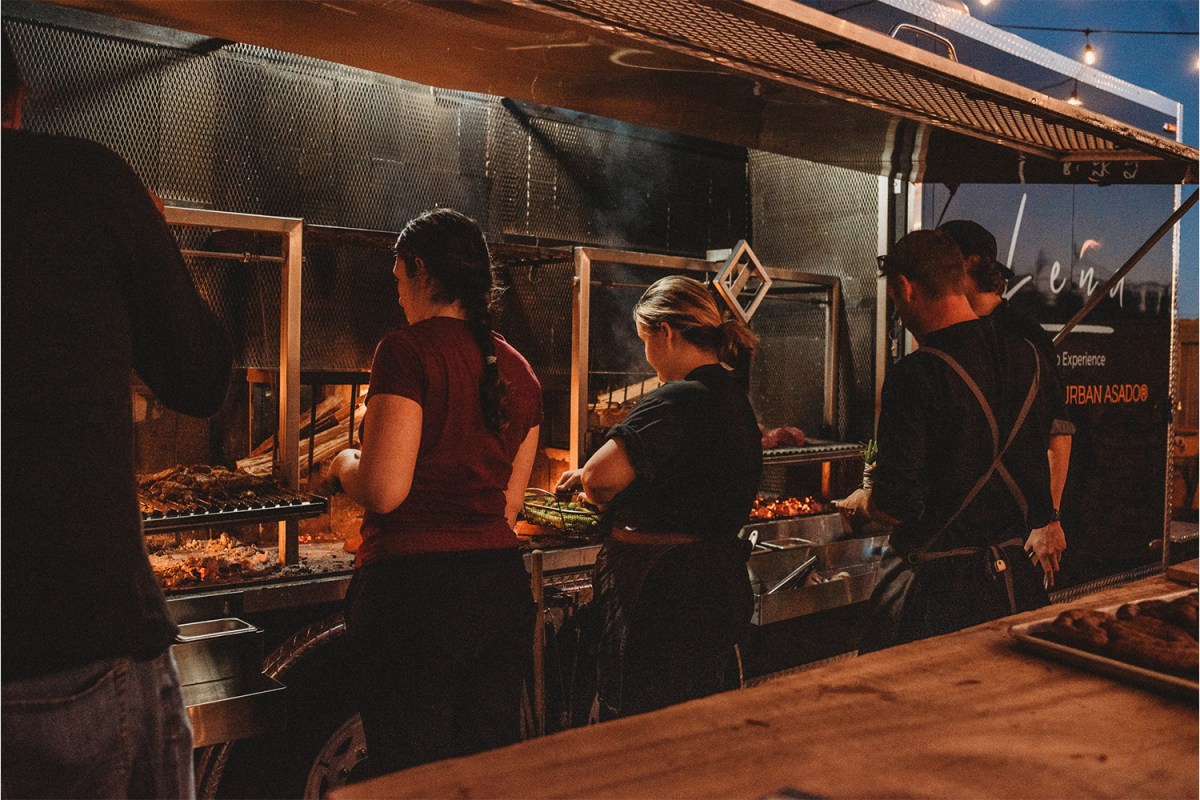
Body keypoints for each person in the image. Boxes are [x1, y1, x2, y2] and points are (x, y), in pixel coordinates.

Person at [2, 34, 232, 800]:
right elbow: (201, 377)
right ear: (18, 102)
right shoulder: (87, 180)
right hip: (73, 639)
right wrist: (151, 246)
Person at [330, 208, 542, 774]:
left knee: (413, 776)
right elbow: (509, 508)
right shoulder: (521, 371)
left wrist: (344, 464)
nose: (398, 294)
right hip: (498, 592)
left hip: (414, 599)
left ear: (421, 270)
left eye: (399, 278)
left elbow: (383, 490)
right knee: (482, 774)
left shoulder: (405, 351)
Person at [837, 229, 1057, 652]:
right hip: (1015, 589)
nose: (898, 312)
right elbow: (1039, 489)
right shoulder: (1030, 357)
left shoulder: (914, 375)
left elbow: (897, 505)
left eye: (894, 300)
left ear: (905, 288)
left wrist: (866, 501)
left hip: (934, 600)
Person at [555, 275, 762, 719]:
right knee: (703, 723)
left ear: (665, 332)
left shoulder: (678, 397)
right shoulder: (733, 397)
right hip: (718, 586)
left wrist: (591, 483)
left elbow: (599, 480)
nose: (647, 356)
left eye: (644, 339)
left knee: (648, 725)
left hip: (666, 597)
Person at [939, 219, 1074, 588]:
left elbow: (1058, 432)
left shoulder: (1022, 334)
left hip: (1017, 527)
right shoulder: (957, 330)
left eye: (943, 261)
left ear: (969, 264)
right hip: (971, 529)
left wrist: (1048, 519)